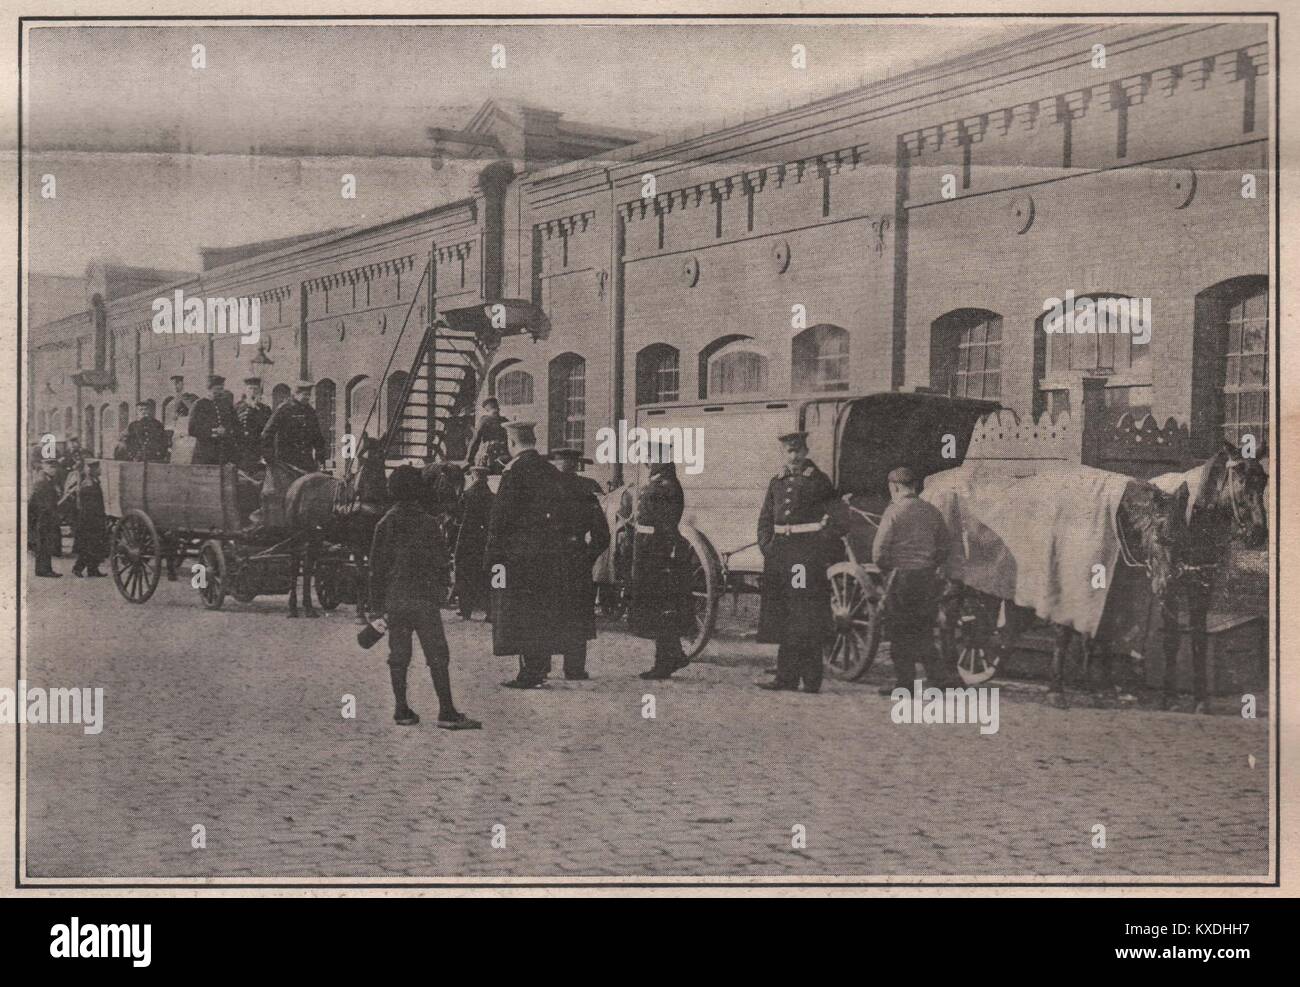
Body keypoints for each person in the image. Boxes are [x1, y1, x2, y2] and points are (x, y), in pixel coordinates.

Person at [368, 465, 480, 730]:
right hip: (424, 598)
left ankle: (401, 710)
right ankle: (446, 711)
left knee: (399, 655)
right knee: (437, 654)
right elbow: (441, 561)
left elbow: (376, 568)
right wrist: (441, 590)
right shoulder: (428, 522)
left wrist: (377, 607)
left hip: (396, 599)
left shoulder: (385, 523)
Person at [485, 421, 568, 689]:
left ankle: (529, 672)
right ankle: (540, 666)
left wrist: (492, 558)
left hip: (518, 558)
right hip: (549, 555)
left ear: (512, 443)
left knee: (520, 613)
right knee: (542, 610)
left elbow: (500, 520)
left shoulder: (514, 472)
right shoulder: (551, 471)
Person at [756, 431, 838, 694]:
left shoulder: (819, 481)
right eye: (788, 452)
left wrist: (818, 546)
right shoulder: (776, 482)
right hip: (780, 558)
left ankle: (811, 679)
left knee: (806, 615)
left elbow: (837, 517)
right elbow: (765, 519)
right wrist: (767, 547)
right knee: (786, 615)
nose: (793, 457)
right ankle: (786, 677)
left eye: (797, 451)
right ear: (783, 453)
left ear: (805, 452)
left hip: (805, 559)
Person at [872, 465, 954, 695]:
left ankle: (905, 684)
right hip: (927, 578)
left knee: (899, 631)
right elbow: (945, 546)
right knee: (923, 629)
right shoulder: (932, 511)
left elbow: (878, 552)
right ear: (915, 487)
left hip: (901, 578)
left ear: (895, 487)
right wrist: (930, 564)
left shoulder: (894, 511)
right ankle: (938, 678)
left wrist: (888, 569)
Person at [629, 445, 693, 680]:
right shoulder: (657, 481)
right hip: (648, 550)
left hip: (657, 552)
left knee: (662, 608)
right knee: (658, 607)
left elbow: (667, 524)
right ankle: (673, 654)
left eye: (650, 458)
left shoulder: (666, 485)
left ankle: (666, 661)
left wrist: (666, 557)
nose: (646, 462)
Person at [550, 448, 611, 680]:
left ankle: (540, 667)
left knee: (547, 610)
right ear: (576, 465)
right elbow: (602, 536)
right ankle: (574, 668)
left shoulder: (545, 488)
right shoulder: (587, 489)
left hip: (549, 558)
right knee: (576, 613)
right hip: (576, 558)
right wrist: (587, 557)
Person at [453, 464, 494, 620]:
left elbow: (458, 516)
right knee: (486, 574)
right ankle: (489, 611)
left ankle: (465, 610)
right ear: (486, 478)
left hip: (467, 539)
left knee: (464, 572)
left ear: (473, 476)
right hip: (485, 540)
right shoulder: (492, 497)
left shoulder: (466, 495)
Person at [261, 380, 328, 473]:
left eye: (309, 395)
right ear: (296, 394)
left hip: (306, 462)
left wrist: (320, 456)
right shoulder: (284, 409)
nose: (307, 397)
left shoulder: (310, 411)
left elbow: (317, 436)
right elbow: (267, 433)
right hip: (286, 463)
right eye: (305, 394)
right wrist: (269, 456)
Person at [189, 374, 242, 465]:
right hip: (205, 453)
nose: (220, 392)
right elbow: (192, 429)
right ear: (209, 389)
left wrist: (227, 431)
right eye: (217, 389)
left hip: (224, 453)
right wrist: (213, 431)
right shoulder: (199, 404)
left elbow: (236, 425)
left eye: (221, 389)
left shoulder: (227, 404)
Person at [69, 460, 108, 578]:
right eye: (98, 468)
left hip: (94, 519)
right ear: (94, 470)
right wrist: (97, 517)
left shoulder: (94, 481)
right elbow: (89, 505)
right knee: (87, 546)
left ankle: (93, 569)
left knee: (95, 545)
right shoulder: (88, 484)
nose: (100, 470)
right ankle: (77, 568)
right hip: (89, 520)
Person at [28, 459, 62, 577]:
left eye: (55, 467)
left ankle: (46, 569)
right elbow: (40, 503)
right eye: (51, 467)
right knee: (43, 545)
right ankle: (43, 570)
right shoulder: (42, 482)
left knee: (46, 544)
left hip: (47, 517)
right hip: (44, 518)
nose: (54, 470)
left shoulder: (48, 480)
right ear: (45, 468)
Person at [234, 376, 272, 469]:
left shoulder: (265, 409)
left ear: (260, 391)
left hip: (257, 446)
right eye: (250, 388)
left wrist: (255, 409)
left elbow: (267, 427)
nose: (253, 391)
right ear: (245, 390)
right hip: (241, 447)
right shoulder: (237, 407)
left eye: (256, 389)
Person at [466, 397, 511, 472]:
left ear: (487, 409)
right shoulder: (505, 421)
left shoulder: (484, 421)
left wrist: (469, 460)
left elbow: (476, 441)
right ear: (498, 407)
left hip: (489, 460)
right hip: (505, 460)